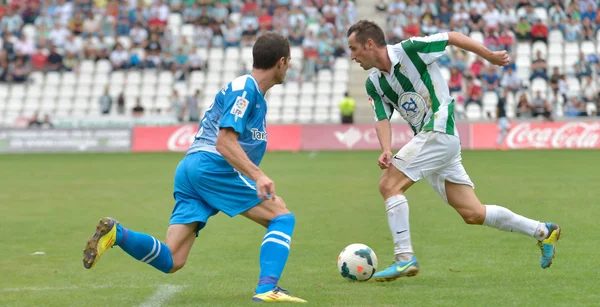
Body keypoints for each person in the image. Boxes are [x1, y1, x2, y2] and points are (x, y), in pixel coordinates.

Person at [82, 32, 306, 303]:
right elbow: (224, 142)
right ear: (281, 62)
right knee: (281, 216)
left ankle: (118, 234)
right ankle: (267, 288)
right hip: (211, 166)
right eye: (289, 62)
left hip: (191, 168)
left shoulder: (252, 93)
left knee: (173, 259)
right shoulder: (246, 89)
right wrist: (258, 175)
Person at [346, 20, 561, 282]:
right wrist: (386, 149)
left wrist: (490, 56)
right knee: (472, 213)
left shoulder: (410, 50)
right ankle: (542, 231)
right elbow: (381, 118)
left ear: (370, 44)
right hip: (434, 141)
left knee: (388, 185)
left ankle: (404, 258)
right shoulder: (374, 84)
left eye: (354, 48)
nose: (352, 55)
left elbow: (453, 37)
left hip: (438, 129)